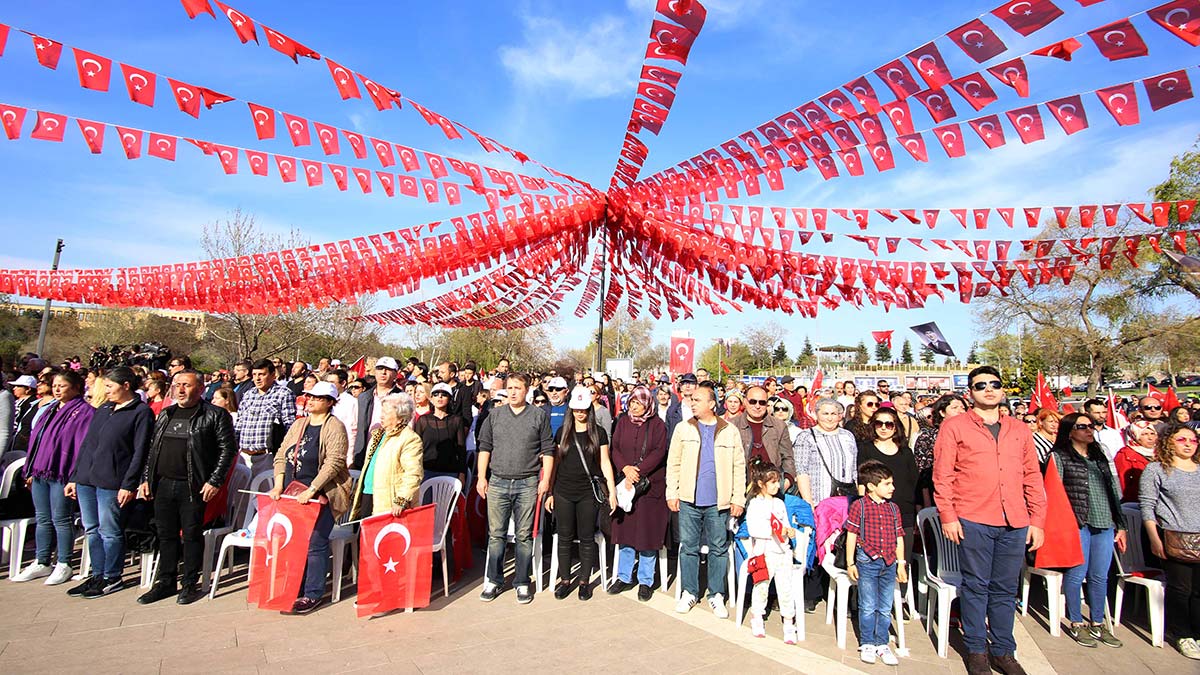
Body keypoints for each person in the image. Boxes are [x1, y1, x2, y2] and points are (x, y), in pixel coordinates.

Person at [934, 365, 1046, 675]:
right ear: (970, 392)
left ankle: (1003, 651)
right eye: (980, 385)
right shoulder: (955, 426)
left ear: (1002, 389)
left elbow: (1032, 476)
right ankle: (976, 650)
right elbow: (942, 475)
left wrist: (1037, 519)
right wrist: (949, 516)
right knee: (976, 587)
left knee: (1005, 589)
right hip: (973, 517)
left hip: (1015, 520)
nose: (988, 389)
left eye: (994, 384)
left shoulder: (1019, 429)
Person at [135, 370, 237, 605]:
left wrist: (215, 480)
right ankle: (165, 581)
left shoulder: (215, 415)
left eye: (186, 385)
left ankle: (190, 583)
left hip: (193, 486)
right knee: (165, 534)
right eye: (177, 384)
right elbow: (153, 449)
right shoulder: (167, 414)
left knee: (191, 535)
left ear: (200, 389)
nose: (180, 389)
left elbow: (227, 450)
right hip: (163, 483)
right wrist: (146, 479)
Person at [63, 367, 153, 598]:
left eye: (111, 386)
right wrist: (75, 476)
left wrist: (129, 484)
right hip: (87, 479)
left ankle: (112, 576)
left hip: (112, 481)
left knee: (110, 530)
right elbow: (88, 444)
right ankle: (97, 573)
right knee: (91, 529)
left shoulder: (141, 412)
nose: (107, 391)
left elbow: (140, 451)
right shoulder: (103, 409)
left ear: (125, 386)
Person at [268, 381, 353, 614]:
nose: (311, 400)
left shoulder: (335, 426)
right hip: (294, 492)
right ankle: (294, 586)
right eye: (310, 396)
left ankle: (313, 592)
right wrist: (278, 484)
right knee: (294, 541)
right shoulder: (299, 424)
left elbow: (334, 461)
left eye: (317, 397)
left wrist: (313, 489)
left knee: (315, 542)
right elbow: (281, 455)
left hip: (321, 493)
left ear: (329, 402)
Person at [1046, 412, 1126, 648]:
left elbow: (1113, 490)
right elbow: (1054, 492)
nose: (1089, 430)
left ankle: (1098, 623)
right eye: (1082, 426)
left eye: (1091, 426)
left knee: (1100, 575)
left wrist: (1120, 524)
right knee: (1076, 574)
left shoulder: (1100, 455)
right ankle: (1076, 621)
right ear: (1070, 430)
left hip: (1104, 521)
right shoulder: (1059, 456)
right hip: (1076, 522)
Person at [666, 384, 746, 617]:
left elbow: (738, 467)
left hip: (718, 502)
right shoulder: (683, 428)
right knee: (688, 547)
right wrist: (672, 492)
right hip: (689, 499)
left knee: (718, 549)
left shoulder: (729, 430)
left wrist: (737, 498)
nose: (692, 403)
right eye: (691, 399)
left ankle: (716, 594)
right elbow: (674, 463)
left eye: (698, 399)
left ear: (712, 404)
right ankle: (689, 592)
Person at [477, 373, 555, 604]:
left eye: (517, 388)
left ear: (527, 390)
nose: (512, 392)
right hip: (498, 481)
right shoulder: (495, 415)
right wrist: (482, 477)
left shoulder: (538, 416)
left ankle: (522, 581)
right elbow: (485, 447)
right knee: (496, 535)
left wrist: (546, 480)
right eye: (509, 388)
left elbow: (548, 450)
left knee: (523, 536)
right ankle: (493, 580)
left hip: (528, 482)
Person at [12, 370, 96, 585]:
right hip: (41, 470)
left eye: (63, 386)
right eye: (55, 385)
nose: (57, 389)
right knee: (42, 517)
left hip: (62, 472)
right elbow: (36, 439)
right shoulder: (49, 409)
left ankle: (64, 562)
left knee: (61, 518)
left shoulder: (84, 412)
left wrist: (75, 477)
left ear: (76, 388)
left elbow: (81, 446)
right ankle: (42, 560)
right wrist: (30, 469)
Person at [1139, 424, 1200, 660]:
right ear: (1169, 442)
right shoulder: (1157, 469)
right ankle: (1182, 633)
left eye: (1192, 440)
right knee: (1181, 589)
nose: (1188, 444)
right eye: (1182, 439)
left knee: (1198, 591)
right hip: (1174, 537)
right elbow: (1147, 506)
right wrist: (1155, 538)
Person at [548, 387, 616, 600]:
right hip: (563, 491)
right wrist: (549, 491)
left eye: (583, 409)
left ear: (589, 409)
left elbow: (605, 462)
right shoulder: (562, 433)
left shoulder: (599, 432)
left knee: (587, 537)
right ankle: (566, 580)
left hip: (588, 492)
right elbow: (556, 463)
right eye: (576, 409)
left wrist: (612, 492)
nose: (580, 413)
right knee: (564, 537)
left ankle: (585, 581)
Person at [608, 386, 671, 601]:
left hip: (649, 487)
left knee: (647, 534)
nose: (634, 406)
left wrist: (639, 471)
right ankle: (624, 576)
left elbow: (659, 451)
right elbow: (614, 447)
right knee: (625, 533)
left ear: (648, 404)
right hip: (625, 484)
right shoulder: (623, 421)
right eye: (632, 402)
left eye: (639, 403)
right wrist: (625, 469)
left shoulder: (657, 425)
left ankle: (646, 580)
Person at [846, 460, 908, 666]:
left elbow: (899, 536)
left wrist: (901, 563)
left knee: (884, 606)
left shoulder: (893, 509)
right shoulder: (859, 506)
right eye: (887, 484)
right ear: (872, 486)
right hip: (867, 560)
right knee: (868, 604)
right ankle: (867, 643)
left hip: (889, 561)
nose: (893, 488)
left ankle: (882, 643)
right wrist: (850, 563)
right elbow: (852, 535)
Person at [856, 407, 918, 591]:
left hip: (903, 511)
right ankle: (873, 602)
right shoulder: (865, 448)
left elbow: (913, 481)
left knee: (902, 559)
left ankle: (901, 599)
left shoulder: (905, 452)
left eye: (888, 424)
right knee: (874, 561)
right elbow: (862, 481)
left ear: (895, 427)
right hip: (874, 513)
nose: (883, 428)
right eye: (879, 423)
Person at [744, 462, 798, 643]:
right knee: (761, 587)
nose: (777, 486)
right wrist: (773, 531)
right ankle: (757, 616)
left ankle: (789, 621)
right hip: (764, 553)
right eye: (772, 482)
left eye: (778, 482)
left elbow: (787, 525)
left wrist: (789, 532)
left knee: (786, 588)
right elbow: (753, 529)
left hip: (783, 552)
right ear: (761, 484)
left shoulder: (780, 503)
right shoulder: (755, 505)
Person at [349, 393, 423, 521]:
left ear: (400, 417)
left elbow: (413, 474)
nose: (381, 416)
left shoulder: (410, 439)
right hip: (368, 492)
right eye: (382, 412)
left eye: (386, 413)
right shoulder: (378, 435)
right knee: (362, 536)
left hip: (387, 499)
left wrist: (401, 500)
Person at [235, 359, 296, 478]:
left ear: (273, 375)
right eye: (254, 375)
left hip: (267, 456)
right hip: (244, 455)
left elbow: (290, 426)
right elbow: (239, 424)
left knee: (263, 493)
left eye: (262, 374)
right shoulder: (248, 394)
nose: (257, 378)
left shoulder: (284, 394)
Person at [794, 398, 858, 506]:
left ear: (839, 416)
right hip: (819, 501)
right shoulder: (806, 437)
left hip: (846, 501)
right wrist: (809, 504)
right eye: (825, 413)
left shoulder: (848, 436)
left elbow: (854, 471)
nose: (829, 418)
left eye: (833, 414)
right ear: (817, 415)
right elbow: (801, 471)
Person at [731, 385, 795, 483]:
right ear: (745, 402)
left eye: (762, 402)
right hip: (741, 485)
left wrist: (787, 481)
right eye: (753, 402)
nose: (757, 406)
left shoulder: (779, 426)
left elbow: (788, 457)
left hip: (772, 486)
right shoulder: (732, 426)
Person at [913, 395, 966, 506]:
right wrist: (926, 503)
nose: (960, 411)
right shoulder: (927, 437)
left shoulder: (969, 435)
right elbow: (923, 474)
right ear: (942, 412)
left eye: (962, 408)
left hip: (965, 493)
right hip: (938, 494)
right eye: (955, 408)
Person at [353, 357, 404, 468]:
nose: (383, 372)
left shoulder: (402, 399)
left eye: (388, 369)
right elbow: (356, 428)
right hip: (363, 454)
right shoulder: (363, 397)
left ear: (396, 374)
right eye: (380, 368)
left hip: (388, 456)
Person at [412, 383, 468, 484]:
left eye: (444, 394)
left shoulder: (456, 420)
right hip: (426, 471)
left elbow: (461, 449)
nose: (440, 397)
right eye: (436, 394)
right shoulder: (423, 420)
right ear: (431, 398)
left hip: (450, 473)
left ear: (450, 398)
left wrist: (462, 474)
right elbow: (415, 448)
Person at [1113, 421, 1158, 502]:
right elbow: (1122, 483)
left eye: (1152, 433)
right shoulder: (1125, 454)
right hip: (1136, 502)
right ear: (1134, 435)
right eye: (1144, 434)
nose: (1150, 438)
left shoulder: (1161, 453)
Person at [7, 374, 39, 453]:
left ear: (28, 389)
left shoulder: (33, 405)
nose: (14, 388)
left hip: (18, 444)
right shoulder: (14, 400)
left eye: (18, 386)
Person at [665, 373, 698, 438]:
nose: (687, 386)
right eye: (685, 383)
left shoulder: (702, 409)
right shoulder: (672, 410)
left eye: (691, 383)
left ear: (696, 386)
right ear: (681, 387)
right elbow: (668, 435)